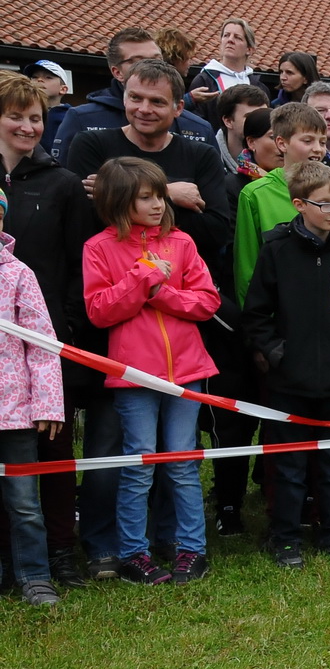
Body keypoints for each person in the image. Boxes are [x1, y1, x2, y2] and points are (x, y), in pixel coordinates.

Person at [83, 156, 220, 585]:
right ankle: (133, 553)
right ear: (119, 202)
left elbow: (208, 301)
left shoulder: (181, 243)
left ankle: (191, 550)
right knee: (139, 464)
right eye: (146, 197)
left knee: (181, 463)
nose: (158, 205)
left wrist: (159, 293)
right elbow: (99, 311)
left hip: (187, 370)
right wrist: (140, 279)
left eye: (160, 195)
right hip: (134, 375)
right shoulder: (98, 248)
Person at [242, 160, 330, 566]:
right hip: (289, 382)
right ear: (299, 204)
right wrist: (275, 353)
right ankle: (285, 537)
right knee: (288, 465)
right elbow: (256, 315)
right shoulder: (277, 250)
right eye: (325, 205)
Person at [0, 71, 93, 588]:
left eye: (36, 117)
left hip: (45, 342)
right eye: (16, 116)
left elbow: (78, 259)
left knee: (53, 450)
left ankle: (58, 551)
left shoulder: (58, 182)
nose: (28, 126)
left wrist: (70, 325)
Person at [0, 183, 65, 606]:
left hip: (16, 413)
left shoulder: (18, 274)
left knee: (24, 504)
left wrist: (47, 404)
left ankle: (35, 576)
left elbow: (42, 344)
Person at [234, 103, 330, 303]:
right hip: (277, 319)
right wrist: (257, 326)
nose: (317, 149)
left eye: (322, 142)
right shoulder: (255, 194)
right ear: (282, 143)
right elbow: (247, 268)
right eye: (307, 140)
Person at [52, 27, 215, 161]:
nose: (151, 66)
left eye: (157, 59)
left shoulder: (198, 128)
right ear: (117, 72)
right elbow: (67, 187)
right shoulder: (82, 120)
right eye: (138, 61)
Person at [187, 18, 257, 115]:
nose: (230, 40)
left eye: (237, 37)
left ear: (249, 49)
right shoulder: (205, 80)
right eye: (226, 35)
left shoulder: (258, 86)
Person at [212, 84, 272, 176]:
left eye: (263, 116)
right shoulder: (208, 159)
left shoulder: (279, 159)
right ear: (228, 121)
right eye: (249, 117)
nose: (259, 122)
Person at [24, 60, 74, 146]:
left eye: (48, 77)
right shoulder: (21, 111)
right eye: (34, 77)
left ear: (63, 89)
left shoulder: (71, 116)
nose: (39, 80)